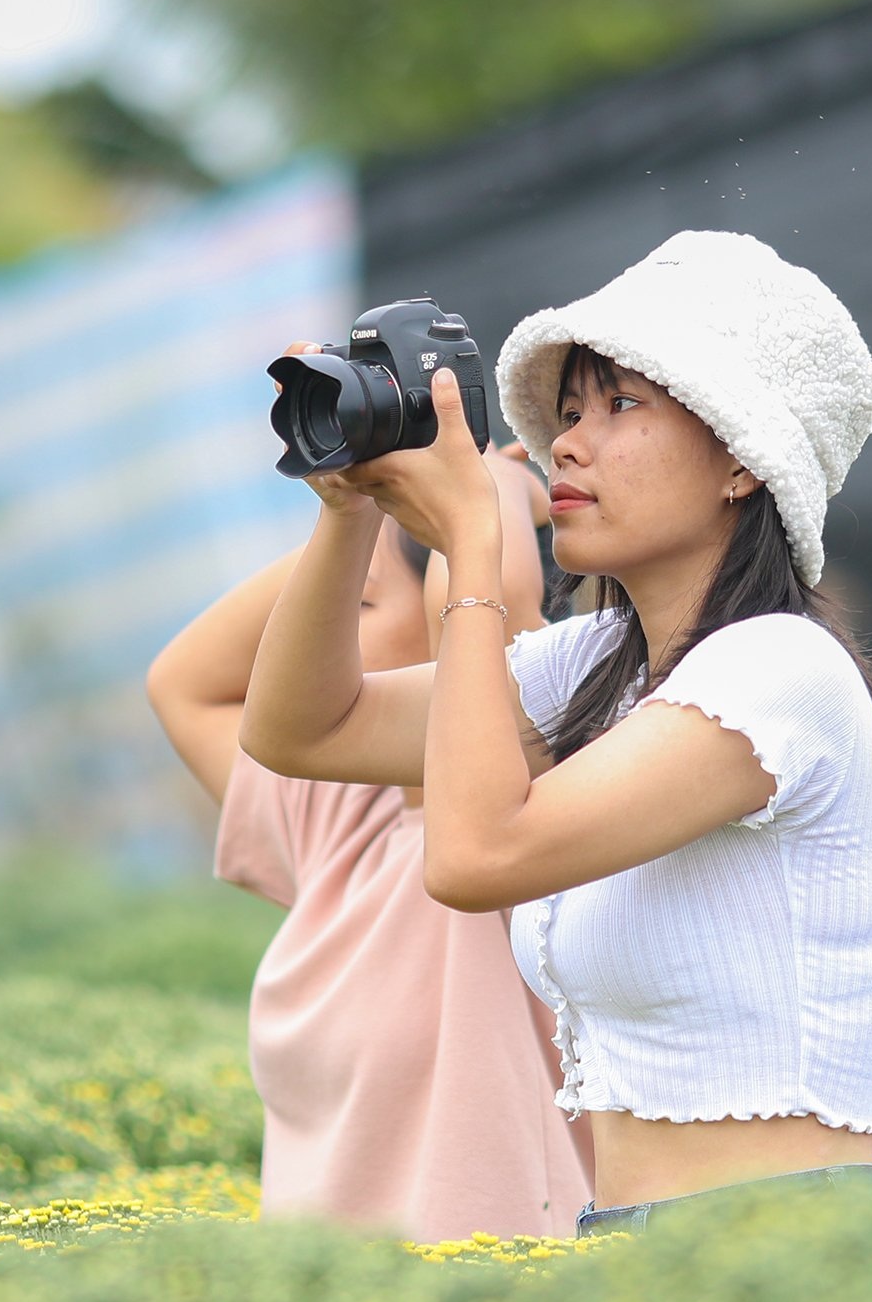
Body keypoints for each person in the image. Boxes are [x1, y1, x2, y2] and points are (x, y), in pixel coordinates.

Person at [238, 231, 872, 1236]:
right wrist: (351, 512)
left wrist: (469, 545)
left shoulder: (781, 670)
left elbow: (476, 854)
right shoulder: (599, 668)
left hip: (778, 1238)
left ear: (742, 461)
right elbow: (302, 727)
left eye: (622, 404)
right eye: (570, 413)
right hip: (617, 1233)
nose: (568, 446)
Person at [144, 427, 588, 1241]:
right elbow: (185, 682)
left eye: (359, 604)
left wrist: (486, 502)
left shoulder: (542, 809)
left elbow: (500, 633)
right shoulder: (337, 821)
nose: (316, 629)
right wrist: (352, 504)